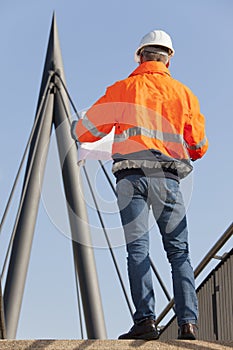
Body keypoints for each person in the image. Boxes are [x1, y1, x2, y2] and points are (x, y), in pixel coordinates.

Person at [71, 29, 208, 340]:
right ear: (168, 59)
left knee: (137, 250)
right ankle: (188, 323)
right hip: (167, 180)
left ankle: (145, 322)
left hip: (131, 179)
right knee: (179, 253)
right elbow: (198, 146)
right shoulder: (183, 94)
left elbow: (83, 131)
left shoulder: (122, 88)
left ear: (141, 57)